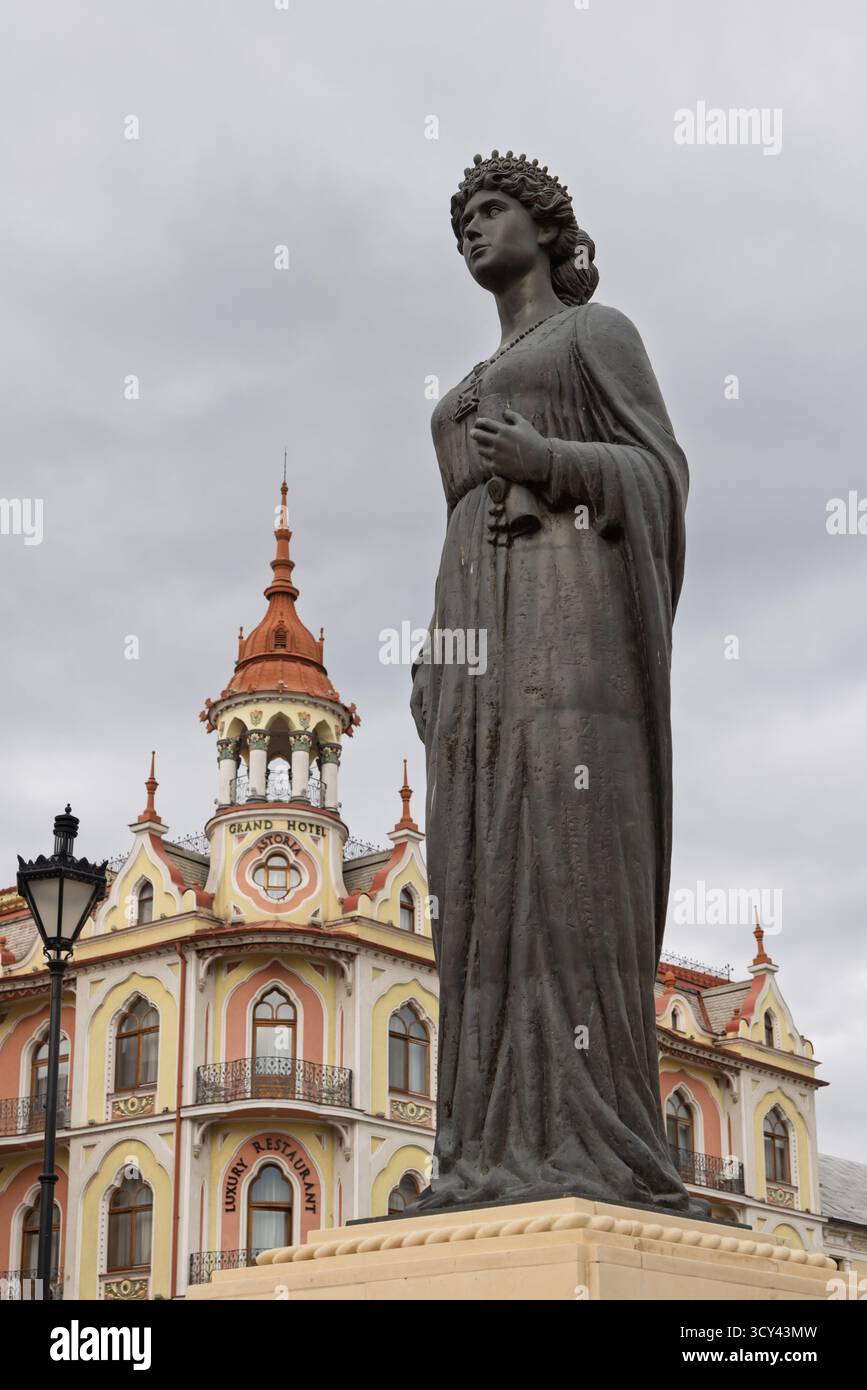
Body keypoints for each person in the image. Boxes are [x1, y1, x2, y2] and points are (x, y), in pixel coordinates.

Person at [410, 151, 701, 1216]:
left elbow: (660, 478)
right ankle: (482, 1151)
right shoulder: (462, 388)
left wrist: (548, 457)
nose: (472, 233)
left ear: (543, 224)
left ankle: (590, 1139)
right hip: (474, 639)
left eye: (489, 212)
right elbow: (454, 524)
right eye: (461, 223)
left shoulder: (596, 333)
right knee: (475, 877)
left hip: (572, 624)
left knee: (569, 854)